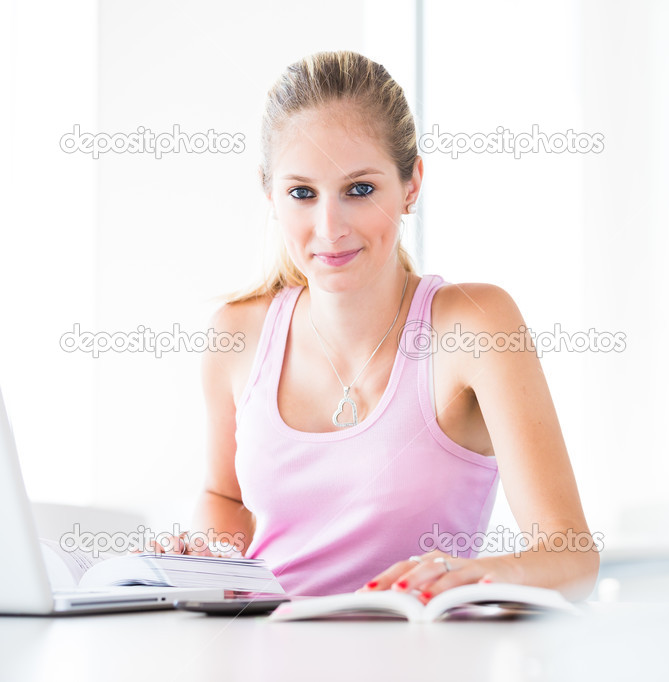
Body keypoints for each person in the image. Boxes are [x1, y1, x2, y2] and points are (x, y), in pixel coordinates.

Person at [141, 50, 599, 603]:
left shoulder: (475, 326)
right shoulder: (236, 335)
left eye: (359, 189)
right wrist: (209, 557)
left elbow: (570, 556)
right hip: (263, 649)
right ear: (271, 195)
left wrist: (477, 578)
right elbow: (224, 497)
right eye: (301, 193)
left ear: (411, 185)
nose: (329, 228)